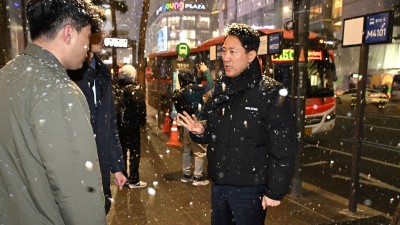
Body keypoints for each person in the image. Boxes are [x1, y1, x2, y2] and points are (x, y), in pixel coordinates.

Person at [177, 23, 297, 225]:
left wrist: (275, 190)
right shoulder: (220, 89)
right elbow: (210, 127)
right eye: (224, 51)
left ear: (250, 56)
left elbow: (284, 146)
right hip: (219, 186)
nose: (226, 57)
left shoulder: (270, 92)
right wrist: (200, 129)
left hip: (250, 190)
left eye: (233, 51)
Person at [0, 0, 106, 224]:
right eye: (87, 37)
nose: (88, 48)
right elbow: (79, 193)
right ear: (68, 34)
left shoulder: (6, 76)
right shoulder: (59, 91)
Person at [67, 29, 127, 214]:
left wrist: (117, 167)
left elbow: (110, 124)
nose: (103, 37)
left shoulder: (102, 73)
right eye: (97, 32)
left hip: (100, 163)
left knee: (102, 209)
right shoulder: (70, 72)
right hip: (76, 165)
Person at [178, 64, 214, 186]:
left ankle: (186, 174)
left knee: (187, 150)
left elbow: (195, 87)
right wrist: (206, 71)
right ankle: (198, 177)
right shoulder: (195, 89)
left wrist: (199, 76)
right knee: (199, 151)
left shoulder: (183, 90)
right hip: (196, 125)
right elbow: (210, 85)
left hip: (186, 126)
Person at [117, 65, 148, 188]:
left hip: (120, 127)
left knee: (122, 152)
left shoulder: (117, 90)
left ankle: (123, 177)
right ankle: (134, 180)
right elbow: (141, 110)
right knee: (134, 153)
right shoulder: (136, 91)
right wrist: (141, 123)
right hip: (132, 127)